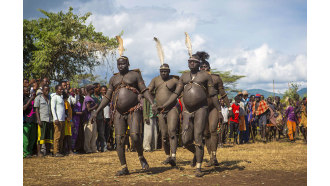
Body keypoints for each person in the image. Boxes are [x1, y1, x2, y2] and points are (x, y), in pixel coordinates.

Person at [157, 52, 223, 177]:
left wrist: (219, 111)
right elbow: (176, 94)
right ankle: (197, 154)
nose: (191, 63)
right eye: (189, 61)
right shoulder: (184, 76)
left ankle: (198, 167)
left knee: (198, 137)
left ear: (198, 63)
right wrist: (164, 105)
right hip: (187, 110)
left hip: (201, 109)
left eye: (193, 62)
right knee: (186, 140)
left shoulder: (205, 76)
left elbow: (213, 95)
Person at [90, 54, 156, 176]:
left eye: (123, 64)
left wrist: (152, 103)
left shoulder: (135, 75)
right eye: (119, 64)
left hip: (134, 110)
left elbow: (144, 90)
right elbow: (107, 97)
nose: (121, 66)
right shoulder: (113, 79)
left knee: (135, 135)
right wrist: (97, 111)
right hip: (118, 113)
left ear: (128, 64)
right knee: (119, 139)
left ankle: (141, 157)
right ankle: (124, 167)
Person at [198, 51, 230, 166]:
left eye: (205, 66)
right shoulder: (196, 79)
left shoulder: (215, 78)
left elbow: (223, 94)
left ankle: (214, 156)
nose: (203, 68)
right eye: (201, 67)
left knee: (212, 130)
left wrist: (229, 108)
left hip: (214, 108)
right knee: (206, 133)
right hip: (202, 108)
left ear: (209, 68)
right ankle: (211, 156)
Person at [148, 63, 180, 166]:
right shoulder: (155, 80)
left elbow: (180, 93)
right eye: (162, 71)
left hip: (172, 108)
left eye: (166, 71)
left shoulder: (174, 80)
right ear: (159, 71)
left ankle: (174, 156)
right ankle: (167, 156)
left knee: (172, 131)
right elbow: (148, 91)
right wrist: (153, 104)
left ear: (169, 71)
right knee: (164, 135)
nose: (164, 73)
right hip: (160, 111)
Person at [34, 85, 53, 157]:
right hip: (42, 120)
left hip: (49, 120)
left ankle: (48, 152)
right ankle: (39, 152)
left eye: (48, 90)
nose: (47, 92)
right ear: (42, 90)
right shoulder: (38, 98)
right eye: (45, 90)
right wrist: (38, 120)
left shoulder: (50, 98)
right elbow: (36, 110)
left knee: (48, 137)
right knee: (41, 137)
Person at [82, 84, 99, 153]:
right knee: (89, 134)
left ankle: (93, 148)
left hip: (92, 117)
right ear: (89, 90)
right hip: (89, 117)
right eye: (92, 89)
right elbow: (88, 109)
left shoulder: (90, 98)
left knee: (94, 134)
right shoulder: (88, 99)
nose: (94, 90)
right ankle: (88, 149)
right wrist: (96, 106)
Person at [51, 85, 66, 157]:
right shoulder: (54, 98)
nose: (61, 91)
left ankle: (60, 150)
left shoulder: (61, 98)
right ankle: (55, 151)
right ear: (56, 90)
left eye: (62, 89)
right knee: (57, 136)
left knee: (62, 136)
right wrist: (55, 118)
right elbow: (53, 108)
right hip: (58, 120)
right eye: (60, 89)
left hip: (62, 119)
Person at [23, 86, 37, 158]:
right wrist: (31, 99)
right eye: (26, 91)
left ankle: (30, 152)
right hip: (26, 121)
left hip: (33, 120)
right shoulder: (23, 99)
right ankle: (25, 152)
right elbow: (24, 108)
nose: (27, 92)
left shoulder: (31, 99)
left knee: (33, 138)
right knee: (26, 139)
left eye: (28, 91)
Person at [92, 83, 106, 152]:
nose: (99, 89)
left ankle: (104, 147)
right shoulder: (91, 97)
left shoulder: (100, 96)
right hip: (94, 118)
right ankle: (96, 147)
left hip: (100, 117)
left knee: (101, 133)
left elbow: (102, 107)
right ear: (94, 88)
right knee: (95, 134)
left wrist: (103, 116)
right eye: (98, 87)